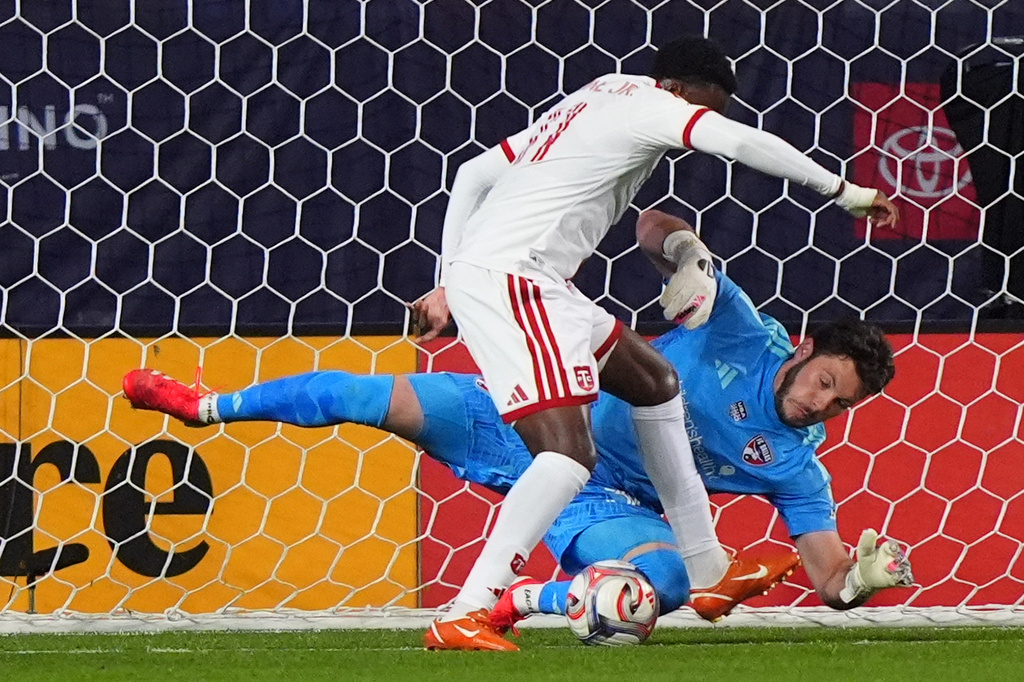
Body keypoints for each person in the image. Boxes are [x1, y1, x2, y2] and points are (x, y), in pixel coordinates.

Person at [123, 211, 913, 649]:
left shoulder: (797, 468)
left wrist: (857, 583)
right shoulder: (737, 325)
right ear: (806, 349)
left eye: (839, 407)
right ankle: (206, 406)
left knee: (667, 587)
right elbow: (649, 222)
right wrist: (685, 251)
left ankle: (523, 600)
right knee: (361, 397)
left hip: (602, 501)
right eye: (823, 385)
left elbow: (826, 578)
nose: (820, 408)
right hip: (532, 407)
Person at [407, 34, 899, 649]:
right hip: (514, 278)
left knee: (655, 382)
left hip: (538, 282)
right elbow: (745, 144)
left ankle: (709, 569)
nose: (706, 123)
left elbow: (473, 172)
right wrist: (845, 192)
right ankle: (466, 608)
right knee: (565, 458)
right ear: (680, 89)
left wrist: (446, 279)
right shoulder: (654, 107)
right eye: (707, 107)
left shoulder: (595, 96)